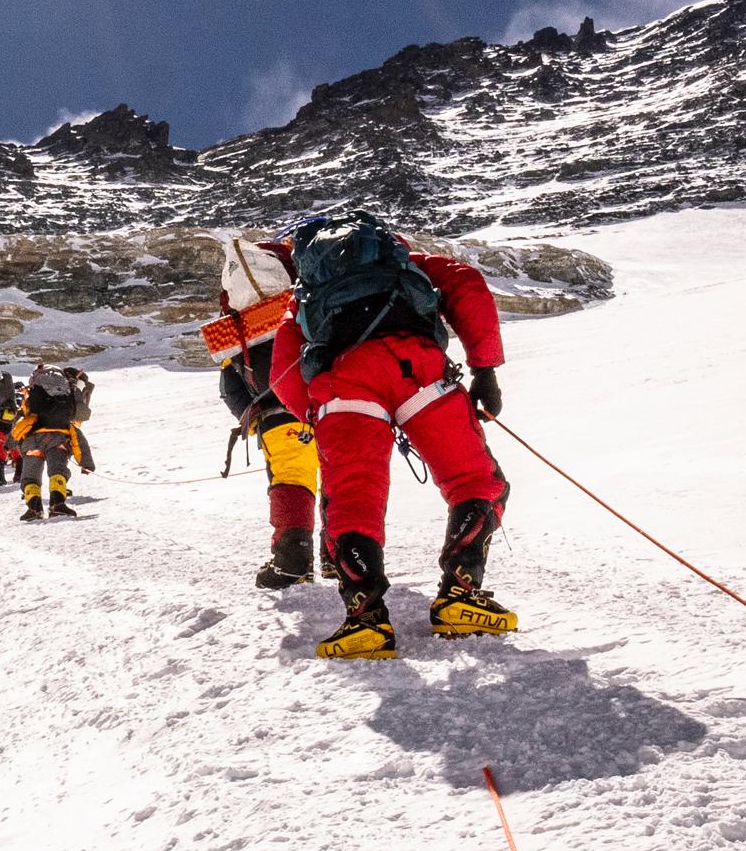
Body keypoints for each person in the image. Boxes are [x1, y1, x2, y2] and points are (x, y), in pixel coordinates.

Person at [258, 212, 515, 655]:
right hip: (420, 373)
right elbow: (467, 285)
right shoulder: (406, 265)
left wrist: (318, 413)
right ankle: (460, 593)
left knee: (353, 497)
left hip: (343, 389)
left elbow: (283, 370)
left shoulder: (306, 297)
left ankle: (366, 619)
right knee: (475, 480)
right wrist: (485, 371)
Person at [204, 237, 324, 586]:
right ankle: (341, 556)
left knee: (290, 480)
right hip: (331, 403)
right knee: (337, 479)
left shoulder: (237, 329)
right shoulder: (305, 303)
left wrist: (252, 417)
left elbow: (230, 387)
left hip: (276, 414)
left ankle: (292, 562)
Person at [12, 360, 95, 521]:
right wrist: (85, 462)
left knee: (30, 475)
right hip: (59, 440)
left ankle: (34, 508)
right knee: (58, 471)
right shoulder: (66, 397)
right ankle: (58, 505)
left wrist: (11, 441)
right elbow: (78, 429)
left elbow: (24, 421)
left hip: (32, 441)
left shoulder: (32, 396)